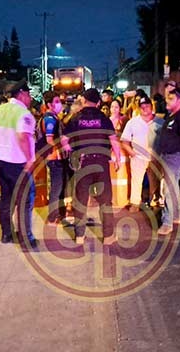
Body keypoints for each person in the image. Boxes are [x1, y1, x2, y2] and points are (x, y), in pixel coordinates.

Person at [0, 80, 38, 248]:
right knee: (25, 200)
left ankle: (7, 234)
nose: (30, 98)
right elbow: (23, 137)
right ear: (22, 94)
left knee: (7, 199)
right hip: (19, 164)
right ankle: (26, 238)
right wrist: (30, 159)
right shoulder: (24, 114)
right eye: (29, 95)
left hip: (2, 164)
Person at [61, 88, 122, 245]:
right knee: (105, 200)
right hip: (101, 162)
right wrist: (118, 158)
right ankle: (108, 237)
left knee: (80, 200)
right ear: (98, 102)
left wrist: (72, 152)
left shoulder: (76, 118)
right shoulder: (104, 118)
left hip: (83, 162)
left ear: (84, 101)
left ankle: (79, 236)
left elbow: (64, 140)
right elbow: (114, 140)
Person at [157, 89, 180, 235]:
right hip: (168, 156)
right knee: (173, 187)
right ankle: (176, 216)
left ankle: (167, 223)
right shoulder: (171, 116)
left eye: (171, 98)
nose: (167, 100)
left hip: (174, 156)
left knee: (168, 188)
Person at [120, 96, 164, 212]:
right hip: (138, 157)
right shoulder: (133, 122)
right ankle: (135, 202)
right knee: (136, 180)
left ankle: (154, 200)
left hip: (155, 157)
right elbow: (125, 141)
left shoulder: (160, 122)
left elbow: (168, 139)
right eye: (142, 107)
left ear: (151, 107)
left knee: (155, 181)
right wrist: (132, 153)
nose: (145, 109)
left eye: (147, 106)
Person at [37, 91, 67, 225]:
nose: (59, 104)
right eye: (56, 102)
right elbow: (49, 139)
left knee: (58, 186)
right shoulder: (49, 119)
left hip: (55, 156)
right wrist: (64, 145)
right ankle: (52, 217)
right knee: (56, 187)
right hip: (54, 157)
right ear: (49, 104)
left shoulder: (54, 117)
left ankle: (58, 214)